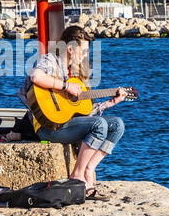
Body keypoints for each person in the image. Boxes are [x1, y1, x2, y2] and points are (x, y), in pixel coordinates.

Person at [19, 25, 126, 199]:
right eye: (83, 52)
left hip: (68, 123)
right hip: (49, 127)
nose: (85, 56)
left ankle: (89, 169)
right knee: (99, 125)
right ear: (70, 49)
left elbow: (83, 112)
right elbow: (36, 77)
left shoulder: (76, 73)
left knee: (117, 125)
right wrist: (65, 85)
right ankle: (77, 174)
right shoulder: (50, 60)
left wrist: (109, 103)